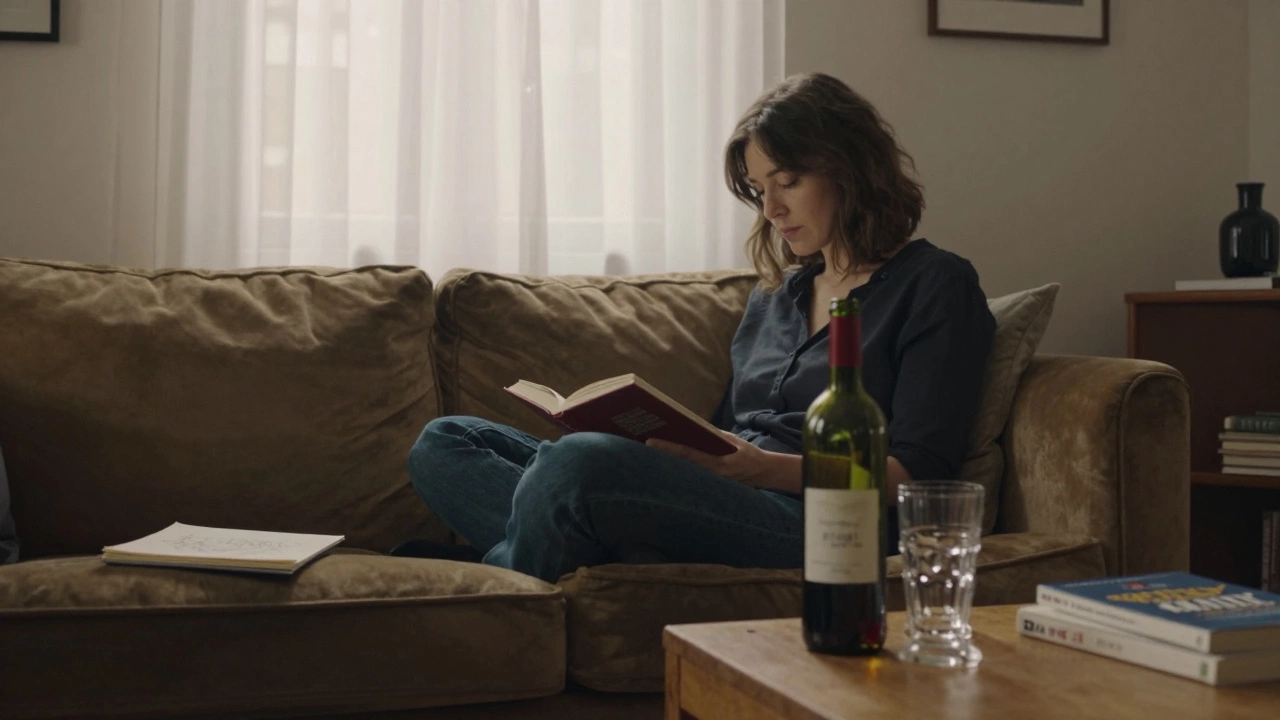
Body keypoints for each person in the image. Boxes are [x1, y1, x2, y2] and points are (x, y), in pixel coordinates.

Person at [396, 72, 995, 584]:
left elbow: (915, 474)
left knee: (576, 466)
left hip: (822, 520)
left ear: (851, 170)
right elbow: (730, 429)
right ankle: (601, 549)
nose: (771, 210)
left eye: (788, 182)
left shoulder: (935, 284)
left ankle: (506, 569)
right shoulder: (774, 297)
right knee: (445, 442)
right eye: (760, 190)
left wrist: (763, 469)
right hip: (730, 499)